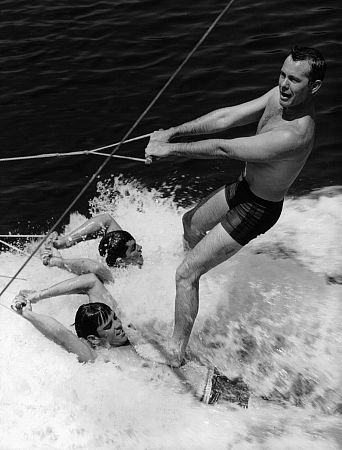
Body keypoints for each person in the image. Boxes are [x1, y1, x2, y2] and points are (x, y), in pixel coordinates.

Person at [144, 46, 326, 366]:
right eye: (282, 75)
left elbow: (226, 149)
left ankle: (177, 352)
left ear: (313, 86)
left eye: (294, 80)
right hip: (243, 188)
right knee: (191, 224)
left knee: (186, 274)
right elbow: (226, 116)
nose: (284, 84)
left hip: (257, 209)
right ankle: (197, 283)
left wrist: (170, 151)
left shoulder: (295, 134)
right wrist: (171, 131)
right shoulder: (279, 96)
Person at [11, 268, 249, 407]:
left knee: (278, 400)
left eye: (115, 319)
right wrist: (28, 314)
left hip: (209, 375)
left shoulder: (125, 335)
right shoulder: (99, 355)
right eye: (110, 326)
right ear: (94, 339)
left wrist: (39, 294)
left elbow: (91, 280)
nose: (118, 326)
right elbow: (61, 335)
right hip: (207, 398)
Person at [50, 213, 143, 268]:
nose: (140, 247)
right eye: (133, 248)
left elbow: (107, 220)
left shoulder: (126, 256)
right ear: (120, 260)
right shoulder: (109, 276)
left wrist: (67, 240)